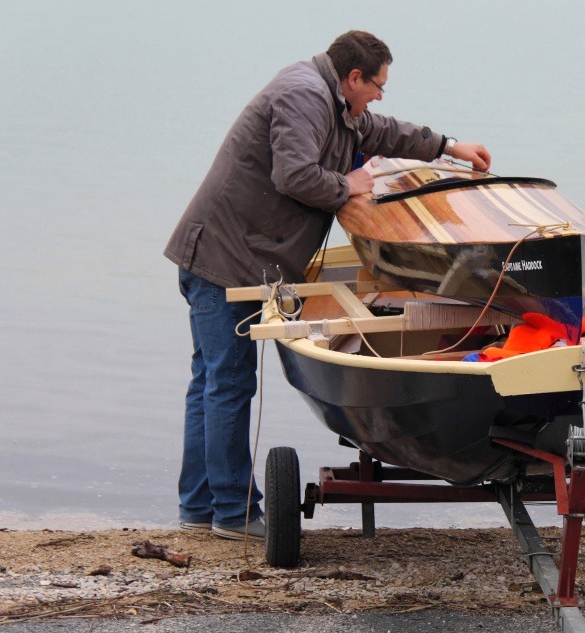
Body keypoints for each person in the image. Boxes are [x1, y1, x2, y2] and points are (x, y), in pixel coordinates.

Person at [163, 30, 492, 541]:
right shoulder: (303, 95)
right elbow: (294, 175)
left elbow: (380, 130)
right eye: (378, 85)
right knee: (227, 384)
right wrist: (349, 185)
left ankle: (198, 507)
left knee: (211, 382)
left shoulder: (334, 100)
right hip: (224, 260)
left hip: (239, 253)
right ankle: (231, 513)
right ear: (353, 77)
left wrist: (449, 146)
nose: (381, 96)